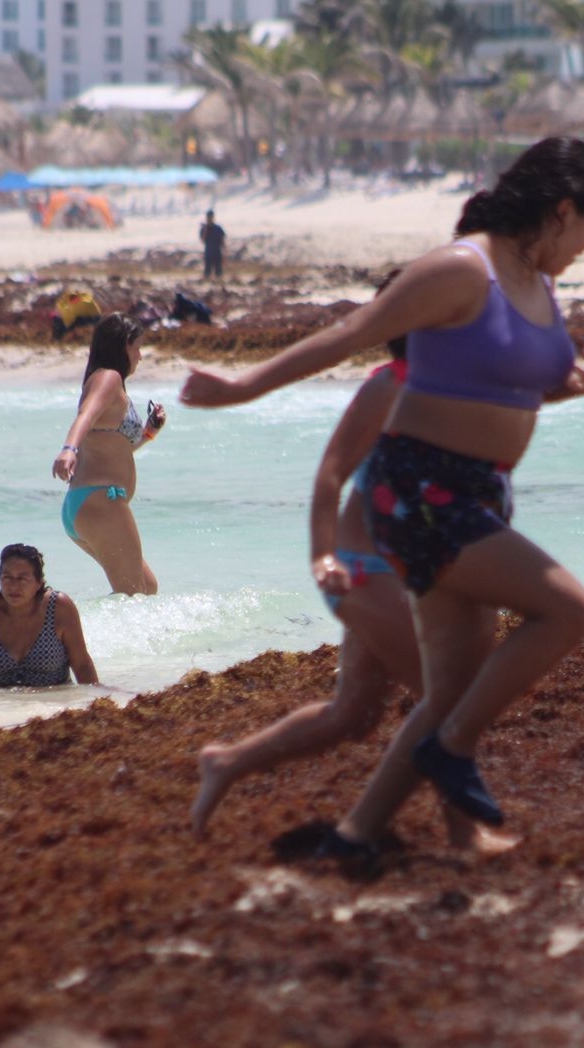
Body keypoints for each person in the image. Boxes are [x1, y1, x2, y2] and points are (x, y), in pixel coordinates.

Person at [181, 136, 584, 856]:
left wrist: (575, 387)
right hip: (418, 493)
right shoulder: (460, 269)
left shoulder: (539, 283)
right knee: (566, 607)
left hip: (482, 494)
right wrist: (240, 387)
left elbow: (504, 389)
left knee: (444, 689)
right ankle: (453, 751)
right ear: (562, 210)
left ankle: (357, 835)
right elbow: (353, 332)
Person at [190, 275, 512, 852]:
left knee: (353, 715)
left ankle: (227, 762)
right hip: (364, 570)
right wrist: (321, 556)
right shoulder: (390, 387)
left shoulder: (453, 389)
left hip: (413, 571)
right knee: (446, 701)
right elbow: (330, 473)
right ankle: (463, 833)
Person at [52, 312, 168, 595]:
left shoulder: (107, 382)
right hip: (101, 501)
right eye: (137, 346)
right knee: (133, 596)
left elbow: (117, 448)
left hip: (85, 505)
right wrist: (68, 449)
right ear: (123, 345)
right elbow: (85, 416)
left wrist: (149, 432)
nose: (140, 355)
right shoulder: (108, 378)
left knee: (147, 587)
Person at [0, 543, 99, 692]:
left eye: (22, 578)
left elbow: (82, 665)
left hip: (53, 701)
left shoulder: (58, 607)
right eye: (7, 577)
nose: (14, 586)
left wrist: (93, 700)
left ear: (38, 583)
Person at [199, 209, 226, 280]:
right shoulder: (204, 228)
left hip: (217, 252)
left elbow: (223, 241)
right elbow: (202, 240)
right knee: (207, 272)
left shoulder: (218, 228)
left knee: (218, 272)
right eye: (208, 217)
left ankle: (218, 286)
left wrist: (225, 252)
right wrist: (205, 229)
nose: (209, 219)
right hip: (208, 252)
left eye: (210, 217)